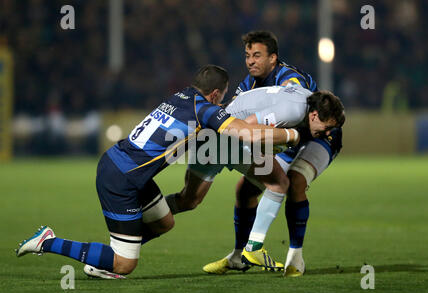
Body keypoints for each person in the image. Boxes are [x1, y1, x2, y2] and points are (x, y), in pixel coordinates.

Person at [15, 65, 300, 279]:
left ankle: (106, 257)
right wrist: (290, 135)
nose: (221, 104)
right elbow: (246, 134)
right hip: (121, 178)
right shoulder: (205, 110)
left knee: (164, 221)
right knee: (125, 265)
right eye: (221, 98)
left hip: (127, 168)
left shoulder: (180, 96)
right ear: (215, 94)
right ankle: (48, 242)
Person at [168, 30, 344, 277]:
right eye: (248, 55)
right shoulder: (248, 84)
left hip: (318, 135)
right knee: (246, 188)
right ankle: (240, 255)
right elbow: (236, 119)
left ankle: (295, 257)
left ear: (273, 58)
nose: (251, 61)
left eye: (257, 56)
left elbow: (299, 112)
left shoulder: (290, 79)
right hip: (283, 139)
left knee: (293, 183)